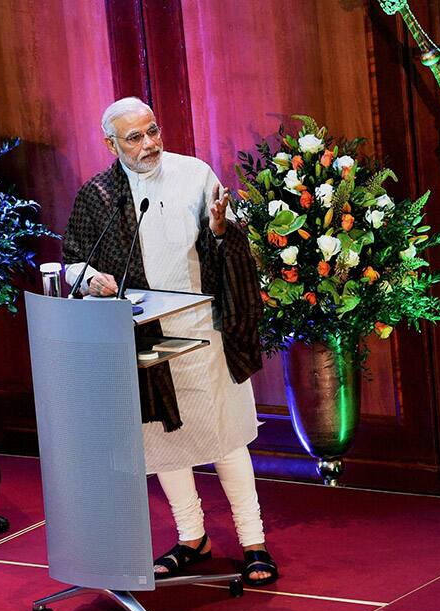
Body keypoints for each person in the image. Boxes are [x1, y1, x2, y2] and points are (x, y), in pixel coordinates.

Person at [62, 97, 278, 586]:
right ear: (111, 144)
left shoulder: (195, 174)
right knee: (163, 441)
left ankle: (253, 543)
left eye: (153, 131)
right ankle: (191, 537)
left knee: (224, 440)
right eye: (135, 138)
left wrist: (223, 231)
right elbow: (73, 259)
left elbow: (229, 242)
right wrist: (93, 278)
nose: (149, 144)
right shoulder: (99, 195)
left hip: (203, 330)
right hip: (142, 335)